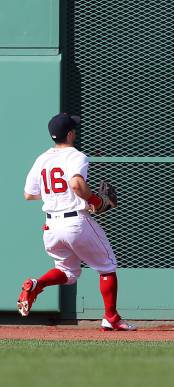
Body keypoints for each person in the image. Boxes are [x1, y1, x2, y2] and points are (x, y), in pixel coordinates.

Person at [18, 113, 135, 331]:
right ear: (70, 134)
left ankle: (37, 284)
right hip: (75, 222)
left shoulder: (42, 158)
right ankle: (111, 317)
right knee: (107, 266)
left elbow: (29, 194)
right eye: (75, 130)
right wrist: (95, 200)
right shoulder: (76, 156)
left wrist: (55, 196)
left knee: (68, 273)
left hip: (51, 227)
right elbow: (76, 184)